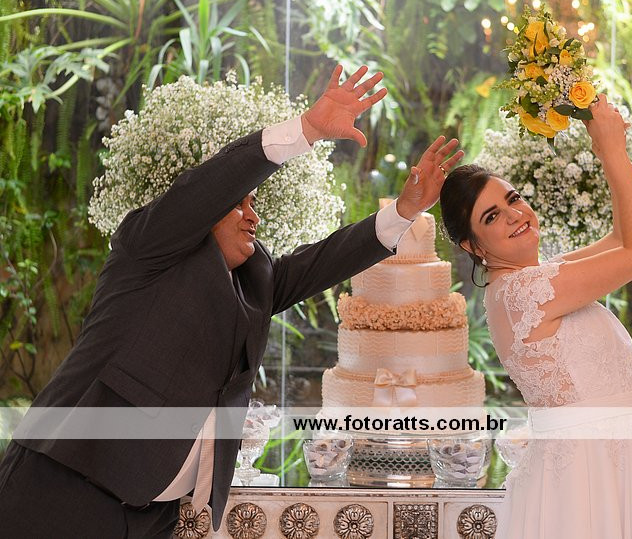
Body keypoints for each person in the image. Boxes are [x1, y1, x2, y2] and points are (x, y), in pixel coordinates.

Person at [0, 64, 464, 537]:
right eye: (240, 203)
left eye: (254, 204)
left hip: (151, 514)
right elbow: (207, 187)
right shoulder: (148, 247)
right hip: (66, 485)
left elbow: (323, 262)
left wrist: (404, 211)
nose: (253, 216)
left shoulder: (256, 280)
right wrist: (307, 130)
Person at [439, 95, 632, 538]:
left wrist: (604, 147)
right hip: (586, 482)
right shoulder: (524, 294)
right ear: (473, 246)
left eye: (513, 199)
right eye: (492, 216)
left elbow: (622, 237)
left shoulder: (536, 281)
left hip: (612, 466)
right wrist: (614, 152)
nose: (516, 215)